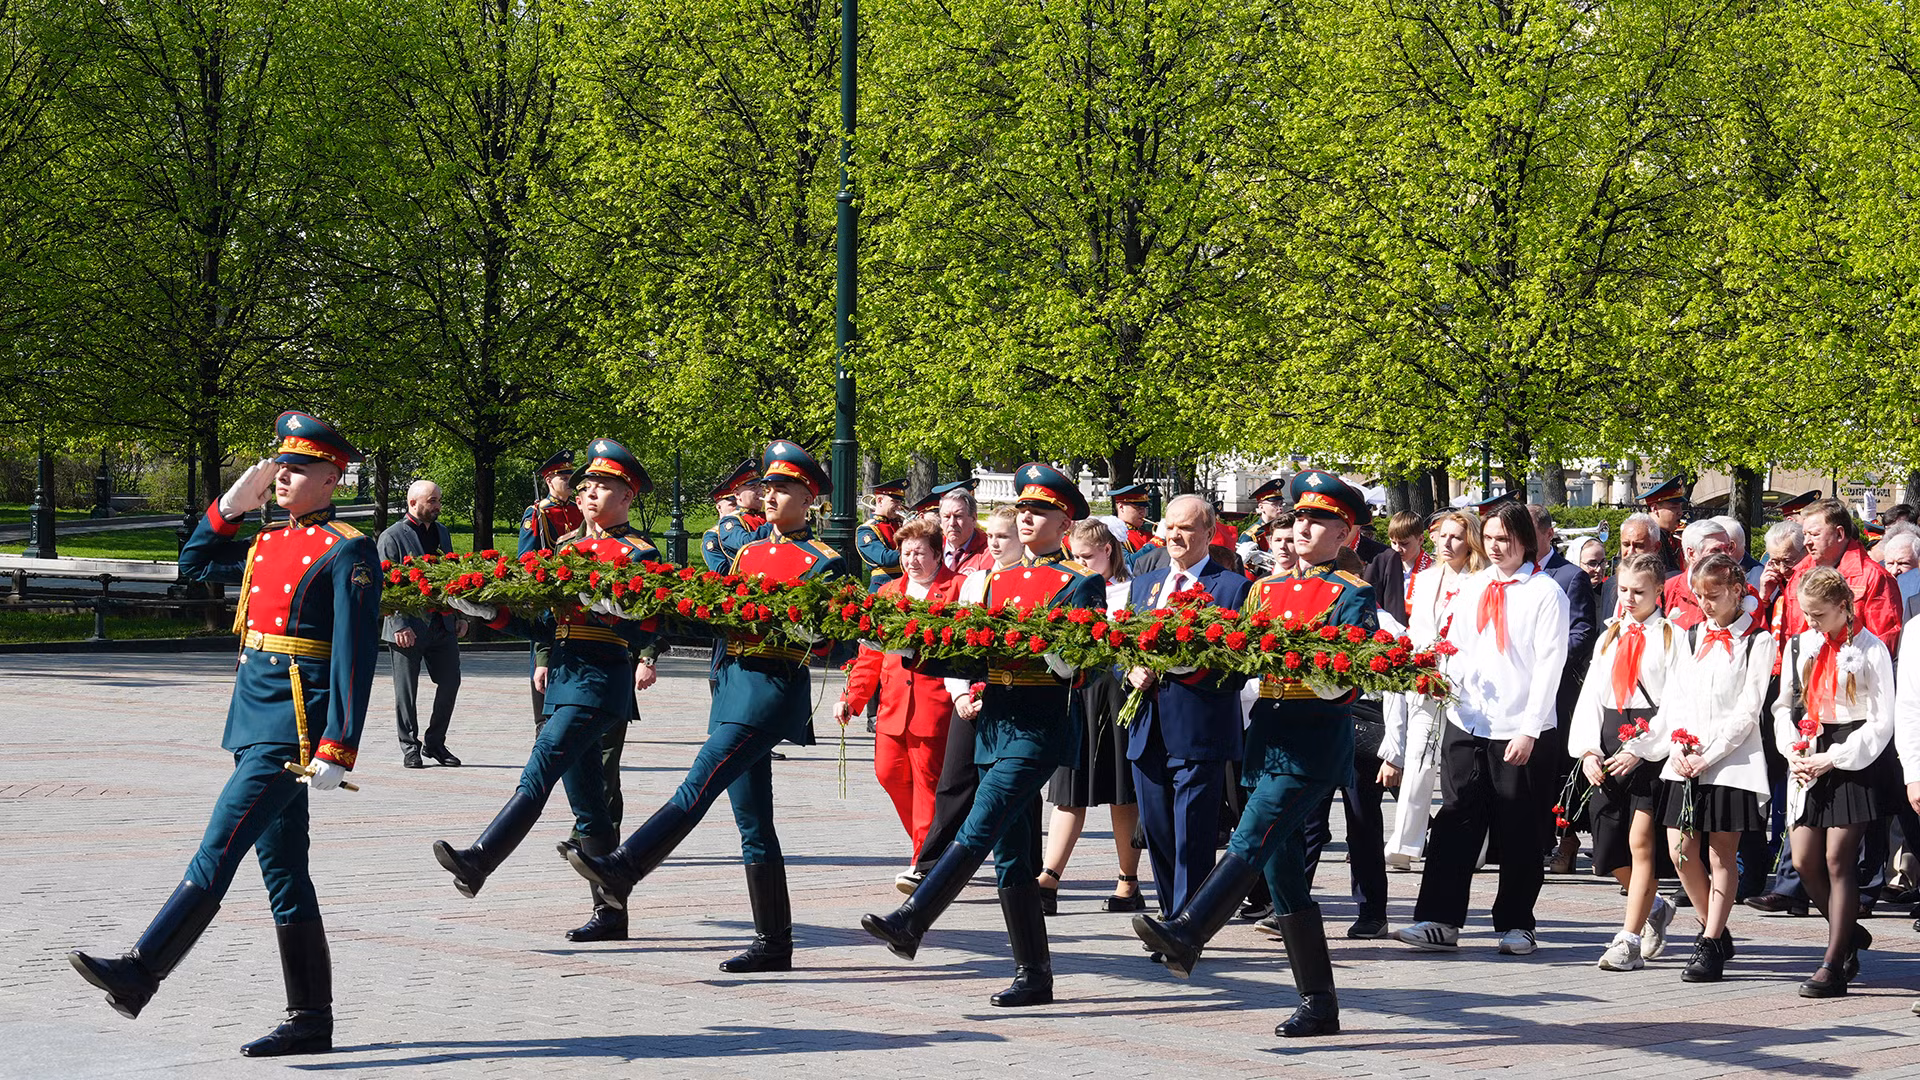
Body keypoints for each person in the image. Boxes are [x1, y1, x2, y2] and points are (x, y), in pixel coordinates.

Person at [70, 411, 377, 1057]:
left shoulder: (347, 548)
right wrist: (230, 506)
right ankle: (310, 1020)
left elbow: (354, 653)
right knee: (284, 873)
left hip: (294, 729)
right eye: (280, 467)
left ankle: (142, 971)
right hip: (252, 718)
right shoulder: (267, 541)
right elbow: (193, 564)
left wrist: (339, 744)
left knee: (219, 847)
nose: (283, 477)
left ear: (331, 477)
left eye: (298, 468)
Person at [566, 441, 845, 972]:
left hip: (770, 690)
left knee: (698, 783)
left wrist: (814, 634)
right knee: (752, 820)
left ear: (809, 498)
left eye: (783, 488)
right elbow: (714, 619)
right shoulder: (747, 554)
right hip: (731, 685)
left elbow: (835, 641)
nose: (769, 496)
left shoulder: (824, 562)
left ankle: (626, 866)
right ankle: (774, 942)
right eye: (767, 487)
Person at [1130, 470, 1376, 1039]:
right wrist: (1174, 651)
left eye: (1321, 521)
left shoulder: (1352, 594)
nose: (1305, 529)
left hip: (1311, 745)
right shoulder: (1264, 590)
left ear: (1346, 536)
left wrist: (1308, 668)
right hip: (1266, 741)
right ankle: (1319, 1002)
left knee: (1248, 837)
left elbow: (1350, 681)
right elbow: (1231, 663)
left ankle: (1189, 930)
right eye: (1300, 518)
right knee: (1284, 876)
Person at [862, 463, 1105, 1008]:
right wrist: (914, 646)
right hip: (994, 724)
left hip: (1038, 726)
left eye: (1040, 511)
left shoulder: (1078, 582)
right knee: (1012, 856)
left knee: (980, 821)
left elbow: (1085, 668)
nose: (1027, 518)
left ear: (1064, 523)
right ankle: (1034, 974)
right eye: (1024, 509)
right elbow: (970, 652)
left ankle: (913, 919)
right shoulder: (996, 581)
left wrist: (1051, 648)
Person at [435, 440, 662, 945]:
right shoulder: (564, 550)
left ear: (628, 496)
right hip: (564, 678)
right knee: (589, 805)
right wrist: (489, 612)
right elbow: (543, 622)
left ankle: (480, 860)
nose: (589, 492)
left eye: (603, 485)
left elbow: (647, 625)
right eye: (586, 485)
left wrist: (616, 614)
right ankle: (611, 916)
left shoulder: (639, 553)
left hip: (599, 680)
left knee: (539, 768)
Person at [1397, 501, 1569, 956]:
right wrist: (1441, 682)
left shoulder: (1545, 592)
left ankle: (1517, 923)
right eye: (1490, 538)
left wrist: (1530, 728)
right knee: (1455, 818)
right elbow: (1456, 645)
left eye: (1505, 539)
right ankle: (1440, 919)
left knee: (1520, 826)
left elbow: (1550, 664)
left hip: (1520, 724)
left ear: (1525, 541)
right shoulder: (1473, 585)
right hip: (1467, 717)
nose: (1495, 547)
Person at [1124, 495, 1253, 919]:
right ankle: (1170, 917)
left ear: (1209, 533)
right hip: (1147, 727)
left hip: (1200, 729)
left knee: (1192, 835)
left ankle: (1187, 924)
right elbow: (1121, 646)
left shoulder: (1231, 587)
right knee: (1158, 831)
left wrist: (1189, 666)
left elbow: (1240, 668)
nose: (1175, 535)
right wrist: (1130, 670)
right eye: (1170, 526)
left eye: (1186, 527)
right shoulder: (1145, 584)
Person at [1772, 567, 1898, 996]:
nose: (1811, 622)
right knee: (1804, 860)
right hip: (1810, 747)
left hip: (1853, 754)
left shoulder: (1870, 648)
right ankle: (1847, 934)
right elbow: (1785, 706)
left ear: (1844, 606)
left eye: (1819, 614)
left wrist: (1835, 757)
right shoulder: (1801, 644)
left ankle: (1833, 964)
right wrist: (1792, 749)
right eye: (1806, 614)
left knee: (1837, 859)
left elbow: (1881, 720)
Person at [1660, 553, 1775, 981]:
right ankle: (1716, 926)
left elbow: (1748, 710)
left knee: (1721, 853)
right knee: (1680, 849)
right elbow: (1675, 696)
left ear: (1737, 590)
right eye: (1699, 596)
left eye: (1714, 595)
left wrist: (1709, 755)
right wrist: (1678, 743)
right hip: (1685, 757)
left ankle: (1708, 943)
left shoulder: (1757, 641)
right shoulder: (1691, 637)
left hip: (1731, 762)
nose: (1705, 604)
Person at [1567, 553, 1684, 971]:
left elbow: (1676, 700)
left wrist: (1643, 748)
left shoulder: (1671, 636)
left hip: (1650, 747)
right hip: (1609, 740)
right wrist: (1587, 750)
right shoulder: (1610, 636)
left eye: (1639, 591)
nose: (1630, 598)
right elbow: (1591, 695)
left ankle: (1628, 939)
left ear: (1659, 591)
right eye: (1623, 590)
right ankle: (1655, 907)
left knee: (1640, 842)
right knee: (1608, 847)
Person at [907, 506, 1028, 892]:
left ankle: (1029, 874)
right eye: (992, 537)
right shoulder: (977, 583)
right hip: (970, 693)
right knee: (954, 781)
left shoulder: (1033, 580)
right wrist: (959, 692)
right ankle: (929, 865)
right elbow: (956, 644)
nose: (995, 544)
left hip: (1012, 695)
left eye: (1004, 536)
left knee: (1016, 793)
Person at [835, 518, 961, 881]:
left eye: (919, 553)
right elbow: (870, 655)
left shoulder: (957, 589)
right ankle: (936, 848)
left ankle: (924, 861)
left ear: (937, 554)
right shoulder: (888, 593)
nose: (911, 560)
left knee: (928, 785)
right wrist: (851, 699)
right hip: (893, 707)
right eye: (906, 553)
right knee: (888, 773)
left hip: (934, 707)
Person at [1037, 519, 1146, 915]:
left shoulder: (1132, 590)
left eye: (1087, 556)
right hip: (1079, 690)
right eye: (1075, 556)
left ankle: (1127, 882)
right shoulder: (1073, 586)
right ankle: (1048, 879)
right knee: (1068, 787)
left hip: (1118, 691)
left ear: (1108, 550)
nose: (1080, 563)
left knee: (1121, 790)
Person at [1380, 510, 1485, 869]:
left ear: (1470, 541)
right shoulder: (1425, 579)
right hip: (1426, 680)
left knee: (1463, 770)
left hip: (1467, 688)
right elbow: (1417, 628)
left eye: (1456, 537)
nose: (1447, 543)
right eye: (1443, 536)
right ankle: (1404, 843)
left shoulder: (1482, 581)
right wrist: (1417, 660)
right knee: (1418, 760)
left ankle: (1474, 845)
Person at [1530, 504, 1600, 868]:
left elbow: (1582, 631)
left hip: (1558, 689)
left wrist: (1547, 662)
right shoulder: (1516, 574)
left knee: (1560, 767)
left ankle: (1567, 840)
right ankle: (1533, 838)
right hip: (1522, 690)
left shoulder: (1570, 576)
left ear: (1547, 534)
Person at [378, 480, 464, 769]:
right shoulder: (392, 537)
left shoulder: (443, 533)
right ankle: (409, 746)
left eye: (438, 500)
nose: (438, 506)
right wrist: (399, 624)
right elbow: (386, 585)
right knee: (407, 691)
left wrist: (460, 615)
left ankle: (435, 743)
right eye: (432, 501)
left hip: (442, 623)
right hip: (408, 627)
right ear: (413, 503)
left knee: (450, 681)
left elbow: (453, 577)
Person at [1661, 520, 1735, 630]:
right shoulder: (1667, 591)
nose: (1726, 556)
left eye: (1728, 548)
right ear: (1692, 554)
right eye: (1716, 550)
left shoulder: (1742, 591)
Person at [699, 459, 767, 572]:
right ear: (737, 494)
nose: (760, 491)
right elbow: (746, 544)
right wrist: (776, 522)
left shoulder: (764, 516)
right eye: (753, 487)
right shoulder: (730, 523)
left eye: (760, 486)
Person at [1364, 511, 1429, 626]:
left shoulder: (1431, 569)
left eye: (1404, 544)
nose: (1397, 549)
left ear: (1420, 540)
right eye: (1393, 542)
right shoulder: (1383, 567)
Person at [1600, 512, 1666, 620]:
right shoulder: (1609, 585)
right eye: (1626, 544)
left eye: (1639, 546)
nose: (1631, 552)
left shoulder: (1670, 585)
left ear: (1656, 547)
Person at [517, 450, 583, 554]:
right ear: (549, 481)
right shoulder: (537, 512)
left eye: (571, 478)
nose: (570, 482)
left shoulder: (579, 509)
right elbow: (526, 555)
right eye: (564, 478)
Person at [855, 477, 908, 588]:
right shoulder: (867, 529)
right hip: (883, 585)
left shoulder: (900, 524)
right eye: (895, 502)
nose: (899, 507)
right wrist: (914, 550)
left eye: (900, 502)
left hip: (905, 582)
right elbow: (885, 558)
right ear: (879, 501)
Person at [936, 481, 994, 574]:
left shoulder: (990, 551)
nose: (952, 523)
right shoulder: (933, 548)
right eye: (947, 516)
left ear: (973, 518)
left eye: (958, 516)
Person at [1238, 476, 1290, 575]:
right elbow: (1245, 570)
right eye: (1275, 504)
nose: (1280, 507)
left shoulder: (1284, 528)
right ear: (1261, 507)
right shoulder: (1251, 535)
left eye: (1281, 503)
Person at [1640, 476, 1688, 572]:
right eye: (1674, 507)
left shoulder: (1665, 535)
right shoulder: (1647, 537)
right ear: (1655, 509)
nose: (1680, 512)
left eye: (1680, 507)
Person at [1110, 483, 1158, 554]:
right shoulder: (1115, 534)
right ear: (1121, 507)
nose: (1143, 512)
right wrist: (1157, 541)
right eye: (1138, 508)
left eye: (1144, 508)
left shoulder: (1146, 532)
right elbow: (1128, 560)